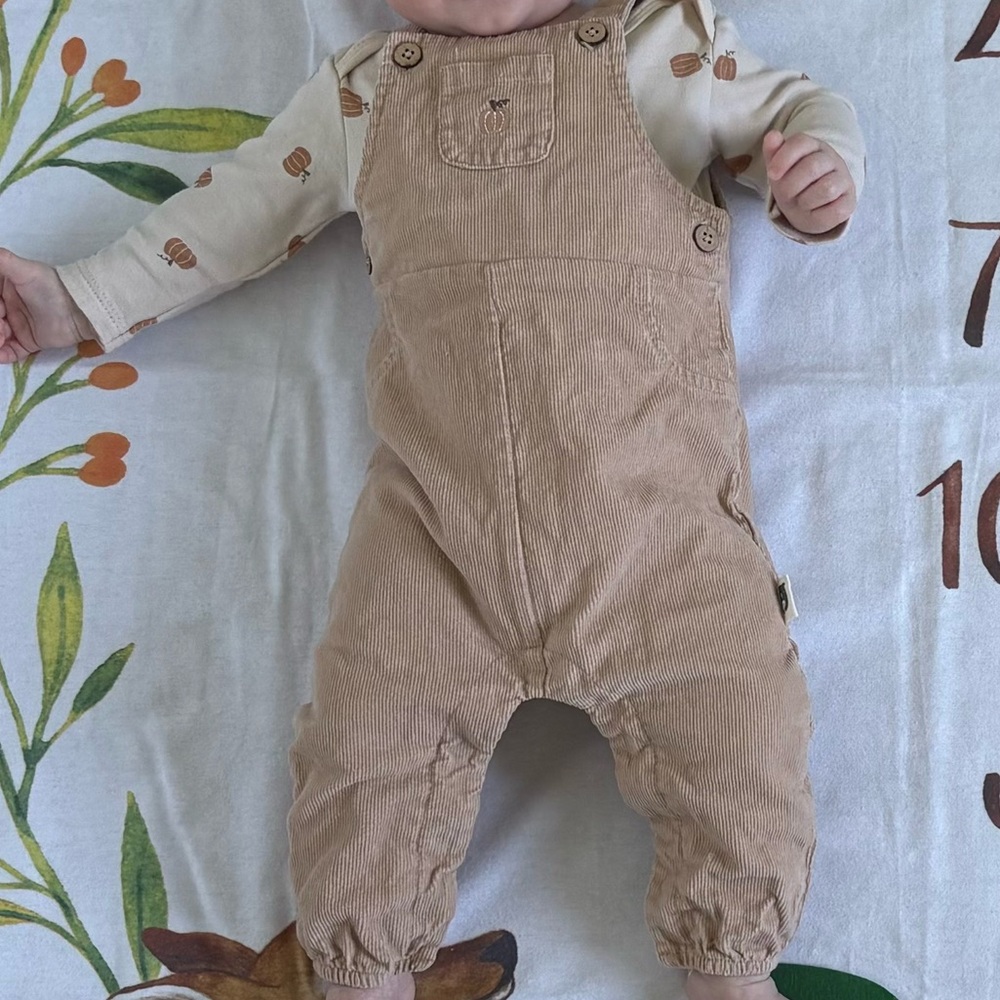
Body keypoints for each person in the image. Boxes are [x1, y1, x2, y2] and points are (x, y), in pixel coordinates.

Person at [0, 1, 864, 997]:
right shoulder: (366, 93)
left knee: (740, 726)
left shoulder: (663, 49)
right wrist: (79, 299)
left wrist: (817, 173)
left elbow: (798, 108)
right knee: (362, 749)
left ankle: (728, 960)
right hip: (434, 536)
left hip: (655, 526)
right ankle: (362, 967)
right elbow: (226, 218)